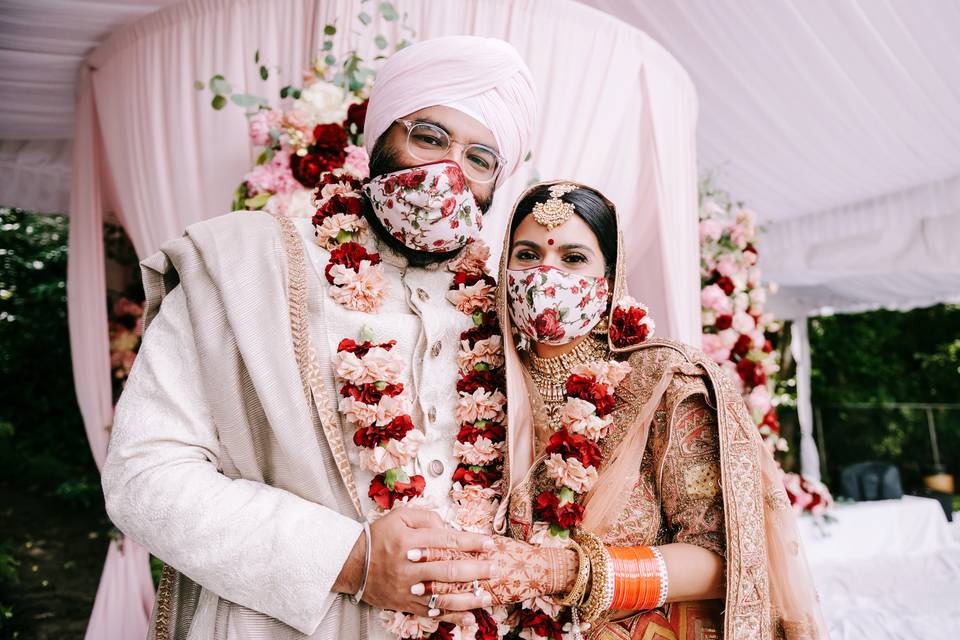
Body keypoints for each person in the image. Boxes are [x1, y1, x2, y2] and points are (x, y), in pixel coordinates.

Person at [101, 36, 575, 640]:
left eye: (480, 158)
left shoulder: (511, 309)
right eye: (429, 137)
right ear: (378, 141)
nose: (448, 170)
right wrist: (352, 560)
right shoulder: (243, 263)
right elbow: (146, 476)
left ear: (493, 184)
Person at [492, 181, 828, 639]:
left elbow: (724, 559)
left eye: (573, 259)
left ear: (610, 278)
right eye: (527, 255)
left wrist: (565, 571)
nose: (546, 275)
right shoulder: (480, 378)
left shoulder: (665, 381)